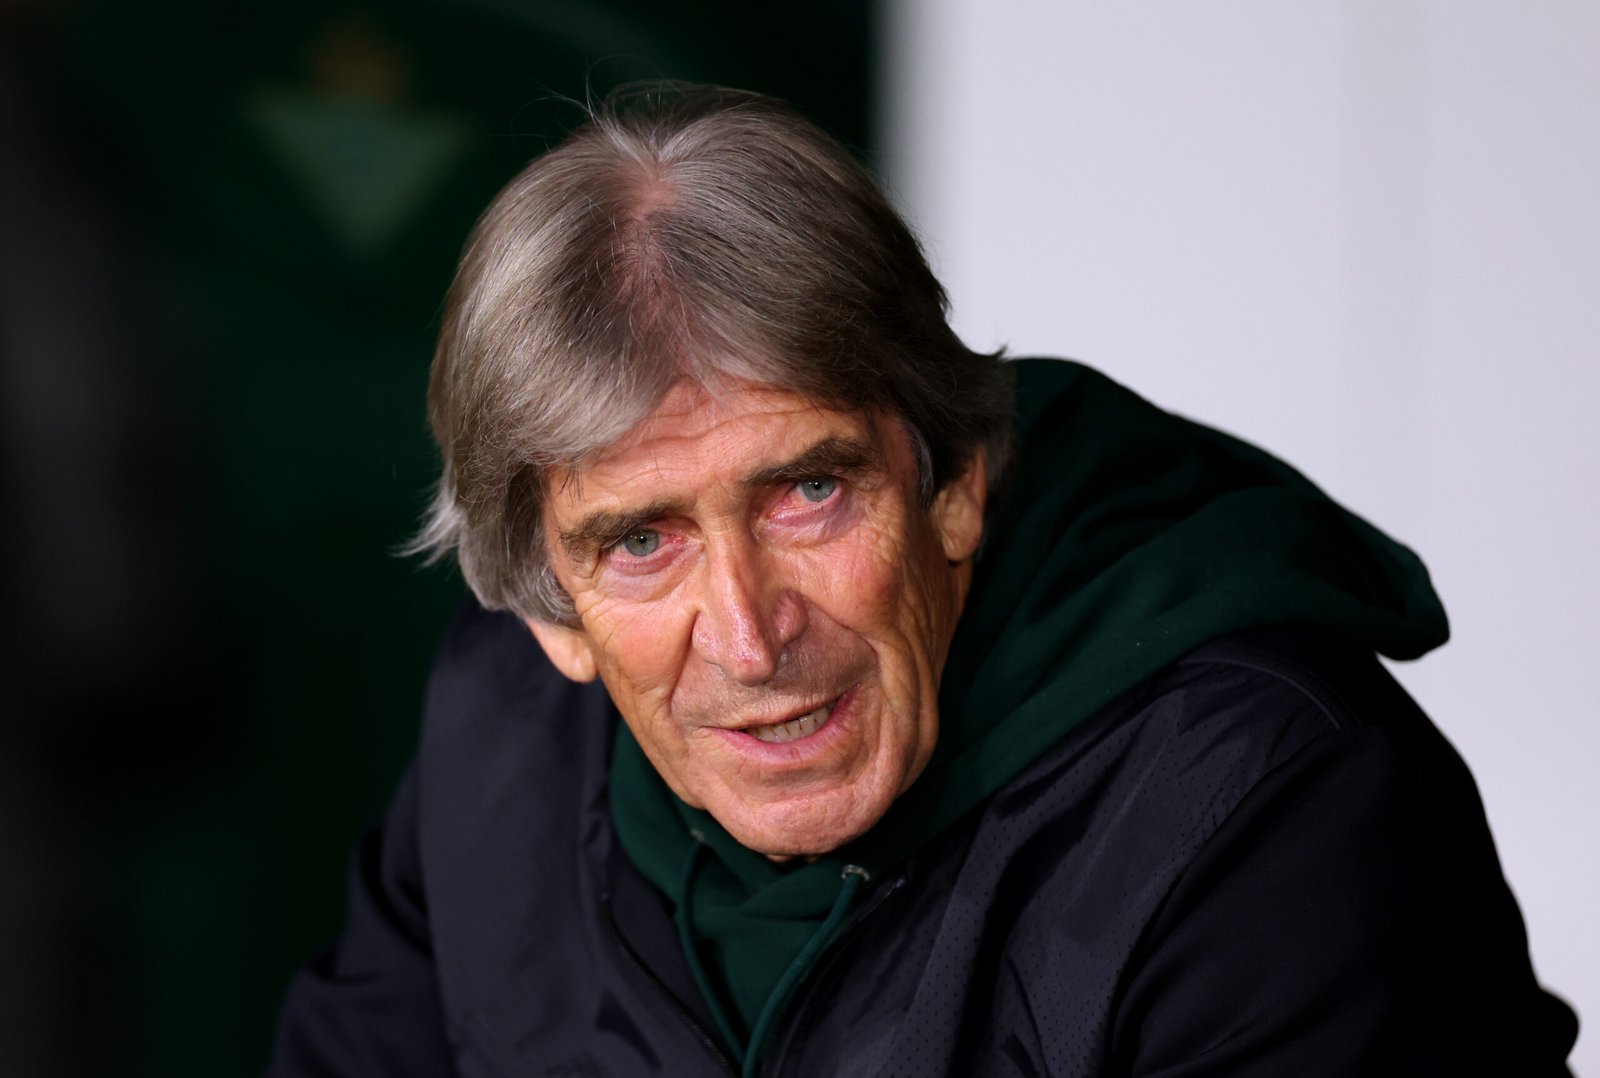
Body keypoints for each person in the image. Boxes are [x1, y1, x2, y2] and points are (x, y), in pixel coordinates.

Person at [267, 85, 1577, 1077]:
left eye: (807, 491)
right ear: (547, 602)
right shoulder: (498, 739)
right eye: (641, 540)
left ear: (953, 482)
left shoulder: (1267, 812)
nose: (749, 632)